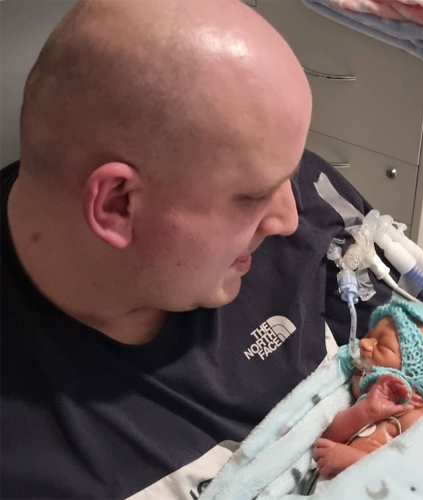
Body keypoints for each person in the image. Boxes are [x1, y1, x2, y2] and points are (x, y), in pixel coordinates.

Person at [1, 0, 394, 498]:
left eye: (289, 174)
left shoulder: (303, 199)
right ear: (118, 205)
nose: (290, 218)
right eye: (251, 197)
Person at [313, 299, 423, 479]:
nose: (364, 343)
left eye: (382, 346)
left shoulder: (416, 424)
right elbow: (323, 442)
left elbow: (408, 479)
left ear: (418, 393)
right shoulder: (367, 404)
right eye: (369, 335)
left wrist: (352, 461)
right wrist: (363, 412)